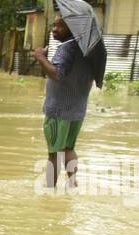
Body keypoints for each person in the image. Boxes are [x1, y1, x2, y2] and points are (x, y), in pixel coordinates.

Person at [34, 15, 105, 189]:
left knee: (54, 154)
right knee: (68, 149)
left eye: (60, 26)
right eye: (54, 25)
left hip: (59, 111)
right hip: (77, 111)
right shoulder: (88, 51)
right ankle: (72, 184)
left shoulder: (67, 48)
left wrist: (41, 57)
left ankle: (50, 191)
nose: (54, 29)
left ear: (72, 29)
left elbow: (57, 73)